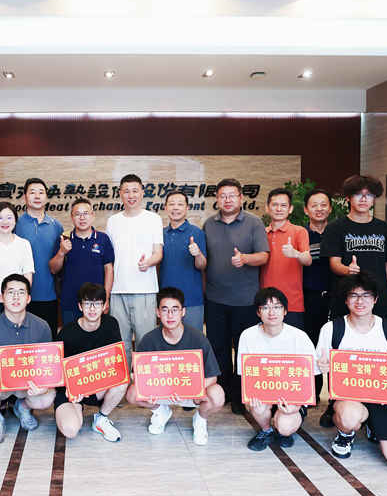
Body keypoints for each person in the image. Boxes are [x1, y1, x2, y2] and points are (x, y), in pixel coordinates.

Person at [315, 273, 387, 472]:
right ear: (346, 300)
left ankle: (373, 426)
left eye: (366, 295)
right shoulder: (332, 329)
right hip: (349, 398)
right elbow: (317, 365)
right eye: (354, 295)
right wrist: (322, 366)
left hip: (383, 400)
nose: (360, 301)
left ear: (375, 299)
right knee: (349, 417)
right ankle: (345, 434)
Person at [202, 178, 270, 414]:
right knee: (218, 348)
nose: (227, 200)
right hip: (215, 299)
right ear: (217, 199)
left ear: (241, 198)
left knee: (243, 349)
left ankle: (242, 395)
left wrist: (245, 259)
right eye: (222, 196)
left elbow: (264, 256)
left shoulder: (254, 223)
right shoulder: (209, 224)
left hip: (245, 299)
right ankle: (223, 393)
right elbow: (204, 260)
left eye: (232, 195)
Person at [126, 287, 225, 445]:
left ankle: (200, 419)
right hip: (161, 392)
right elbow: (137, 376)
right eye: (165, 310)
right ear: (158, 312)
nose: (170, 315)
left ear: (183, 312)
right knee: (132, 393)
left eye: (175, 310)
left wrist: (190, 390)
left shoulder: (198, 338)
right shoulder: (149, 340)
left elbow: (212, 377)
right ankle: (161, 411)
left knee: (217, 394)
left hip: (191, 393)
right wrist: (150, 389)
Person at [0, 274, 55, 444]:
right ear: (2, 297)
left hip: (28, 380)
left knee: (47, 396)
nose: (16, 297)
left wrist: (45, 385)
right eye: (11, 292)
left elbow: (49, 364)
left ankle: (23, 408)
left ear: (28, 298)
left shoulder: (42, 326)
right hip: (0, 380)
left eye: (21, 292)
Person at [238, 287, 320, 451]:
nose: (271, 312)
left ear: (285, 311)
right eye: (265, 307)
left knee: (285, 425)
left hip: (291, 395)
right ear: (258, 312)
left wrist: (297, 405)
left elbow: (310, 375)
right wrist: (252, 395)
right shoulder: (248, 335)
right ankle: (266, 430)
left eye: (277, 307)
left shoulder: (299, 337)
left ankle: (283, 431)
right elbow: (245, 374)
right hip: (264, 392)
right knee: (257, 406)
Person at [321, 175, 387, 322]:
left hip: (379, 298)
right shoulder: (335, 228)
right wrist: (348, 270)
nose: (363, 199)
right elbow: (334, 264)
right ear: (348, 198)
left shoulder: (385, 228)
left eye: (369, 195)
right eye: (358, 194)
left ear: (374, 199)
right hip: (347, 298)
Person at [54, 283, 127, 442]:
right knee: (70, 430)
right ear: (80, 306)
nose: (92, 309)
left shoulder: (111, 324)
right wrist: (71, 390)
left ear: (104, 306)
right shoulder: (67, 333)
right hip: (71, 390)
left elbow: (116, 361)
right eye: (87, 304)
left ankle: (101, 418)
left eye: (97, 303)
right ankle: (76, 410)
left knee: (122, 380)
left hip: (98, 385)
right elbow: (57, 370)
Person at [105, 174, 163, 363]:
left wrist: (149, 262)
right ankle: (123, 382)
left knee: (145, 343)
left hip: (145, 290)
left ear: (142, 192)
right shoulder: (113, 221)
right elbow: (109, 258)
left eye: (135, 191)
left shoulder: (153, 219)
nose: (131, 195)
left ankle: (145, 382)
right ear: (120, 194)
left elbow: (158, 253)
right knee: (120, 346)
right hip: (117, 291)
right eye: (126, 191)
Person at [51, 198, 115, 327]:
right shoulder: (64, 239)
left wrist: (106, 298)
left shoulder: (103, 239)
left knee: (97, 338)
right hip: (70, 301)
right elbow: (53, 269)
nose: (82, 217)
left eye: (85, 213)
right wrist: (61, 252)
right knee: (72, 337)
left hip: (96, 303)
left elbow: (109, 269)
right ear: (72, 217)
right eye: (77, 214)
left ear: (92, 215)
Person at [301, 189, 334, 424]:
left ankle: (335, 401)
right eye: (314, 205)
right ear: (306, 210)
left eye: (323, 205)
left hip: (336, 297)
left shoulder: (338, 232)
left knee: (334, 347)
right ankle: (311, 393)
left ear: (330, 208)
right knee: (310, 344)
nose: (319, 209)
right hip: (309, 297)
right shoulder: (300, 234)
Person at [16, 177, 64, 331]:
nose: (37, 196)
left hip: (49, 295)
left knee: (47, 338)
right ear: (25, 197)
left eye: (41, 192)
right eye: (32, 192)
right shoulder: (15, 224)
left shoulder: (56, 226)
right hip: (20, 296)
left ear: (46, 197)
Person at [260, 188, 312, 329]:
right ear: (267, 208)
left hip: (292, 302)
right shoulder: (261, 233)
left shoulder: (299, 231)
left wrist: (296, 254)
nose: (279, 209)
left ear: (290, 209)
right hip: (265, 302)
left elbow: (308, 260)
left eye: (283, 205)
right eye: (274, 205)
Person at [159, 190, 207, 331]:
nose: (175, 208)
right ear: (165, 208)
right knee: (167, 340)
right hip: (166, 301)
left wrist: (197, 254)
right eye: (171, 204)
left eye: (180, 204)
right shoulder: (160, 234)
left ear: (187, 208)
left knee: (193, 340)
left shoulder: (197, 232)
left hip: (192, 300)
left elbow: (202, 265)